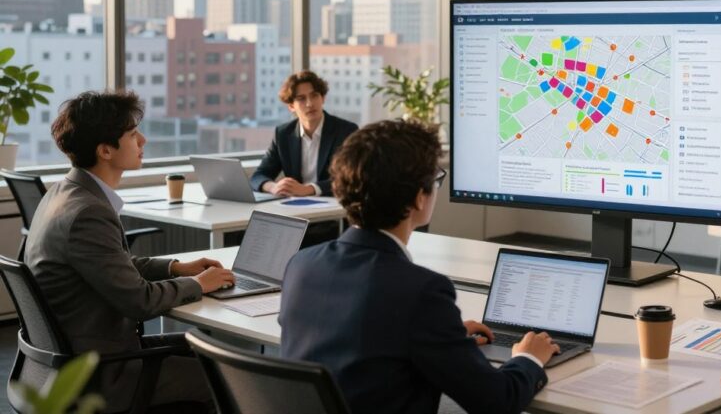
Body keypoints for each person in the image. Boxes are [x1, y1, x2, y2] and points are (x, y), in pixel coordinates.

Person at [279, 120, 556, 414]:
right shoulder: (420, 292)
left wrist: (444, 337)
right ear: (418, 197)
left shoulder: (301, 264)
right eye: (435, 179)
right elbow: (498, 401)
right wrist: (529, 359)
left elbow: (360, 339)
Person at [24, 91, 235, 412]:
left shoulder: (63, 193)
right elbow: (140, 301)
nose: (143, 140)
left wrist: (177, 268)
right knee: (232, 375)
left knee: (207, 350)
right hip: (102, 373)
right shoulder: (86, 213)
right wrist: (201, 284)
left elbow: (114, 264)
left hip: (74, 356)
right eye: (133, 134)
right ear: (105, 150)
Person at [250, 70, 358, 197]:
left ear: (323, 98)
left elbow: (350, 178)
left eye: (314, 95)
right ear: (291, 106)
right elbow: (258, 176)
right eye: (301, 99)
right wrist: (274, 187)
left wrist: (309, 189)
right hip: (296, 208)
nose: (310, 104)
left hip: (333, 208)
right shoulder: (283, 134)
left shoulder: (346, 131)